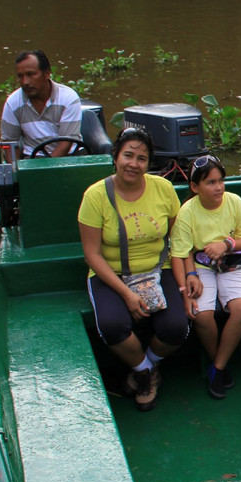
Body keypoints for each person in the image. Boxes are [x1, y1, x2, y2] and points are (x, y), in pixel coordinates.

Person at [77, 127, 188, 411]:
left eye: (141, 158)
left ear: (148, 163)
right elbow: (92, 254)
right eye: (128, 155)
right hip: (111, 273)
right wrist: (126, 293)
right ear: (115, 156)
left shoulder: (163, 189)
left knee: (176, 327)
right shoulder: (95, 196)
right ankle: (145, 372)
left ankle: (145, 367)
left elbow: (177, 237)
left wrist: (190, 274)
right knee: (113, 326)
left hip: (157, 267)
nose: (133, 164)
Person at [170, 155, 241, 399]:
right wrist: (187, 282)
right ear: (195, 187)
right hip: (201, 266)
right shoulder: (188, 211)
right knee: (202, 314)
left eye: (220, 181)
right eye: (210, 182)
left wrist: (226, 244)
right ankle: (218, 359)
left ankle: (218, 366)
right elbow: (179, 253)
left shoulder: (234, 201)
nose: (218, 187)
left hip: (231, 264)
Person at [0, 50, 82, 158]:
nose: (25, 82)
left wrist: (45, 172)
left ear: (47, 74)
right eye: (20, 76)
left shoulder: (68, 98)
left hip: (70, 156)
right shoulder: (13, 103)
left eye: (31, 74)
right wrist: (15, 170)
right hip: (33, 158)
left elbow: (65, 144)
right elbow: (10, 142)